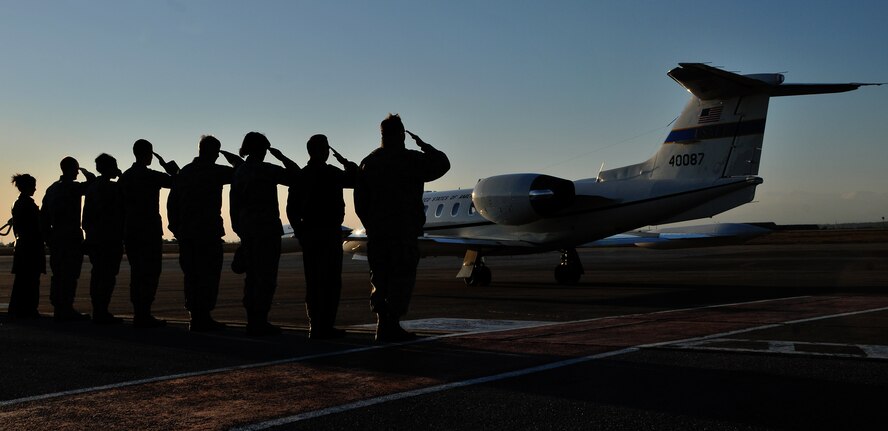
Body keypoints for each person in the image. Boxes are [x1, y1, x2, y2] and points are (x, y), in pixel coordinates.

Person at [354, 114, 450, 342]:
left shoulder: (369, 162)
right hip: (403, 231)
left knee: (380, 278)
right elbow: (443, 164)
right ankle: (392, 324)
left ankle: (382, 325)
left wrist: (371, 225)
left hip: (378, 232)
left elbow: (360, 202)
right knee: (401, 277)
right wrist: (423, 144)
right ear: (401, 135)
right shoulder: (411, 160)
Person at [167, 135, 242, 332]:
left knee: (192, 275)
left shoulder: (185, 172)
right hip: (207, 232)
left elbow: (171, 203)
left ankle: (196, 316)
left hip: (187, 234)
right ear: (213, 152)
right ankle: (203, 316)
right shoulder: (214, 171)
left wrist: (176, 228)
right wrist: (233, 158)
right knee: (208, 275)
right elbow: (240, 171)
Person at [288, 134, 358, 339]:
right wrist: (346, 162)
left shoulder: (301, 176)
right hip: (328, 234)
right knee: (331, 281)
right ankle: (325, 325)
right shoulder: (332, 173)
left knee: (314, 281)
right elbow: (354, 179)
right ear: (324, 151)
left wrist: (300, 232)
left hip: (310, 235)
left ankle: (316, 325)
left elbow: (291, 209)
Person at [230, 132, 299, 336]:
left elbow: (234, 203)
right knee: (266, 277)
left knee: (252, 277)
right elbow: (296, 176)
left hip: (248, 230)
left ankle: (253, 319)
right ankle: (259, 320)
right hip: (266, 230)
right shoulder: (266, 169)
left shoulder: (240, 171)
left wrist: (239, 229)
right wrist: (282, 157)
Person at [119, 139, 178, 328]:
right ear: (148, 154)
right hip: (148, 230)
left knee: (137, 272)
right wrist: (171, 169)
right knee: (150, 271)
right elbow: (176, 182)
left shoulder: (126, 177)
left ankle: (140, 313)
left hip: (131, 230)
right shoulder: (150, 175)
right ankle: (144, 313)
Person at [40, 156, 95, 322]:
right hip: (70, 237)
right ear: (72, 169)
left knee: (58, 274)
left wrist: (48, 238)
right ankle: (66, 308)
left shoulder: (51, 189)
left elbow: (44, 218)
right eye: (76, 169)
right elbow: (91, 185)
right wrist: (87, 173)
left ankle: (59, 307)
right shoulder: (72, 187)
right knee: (70, 274)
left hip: (56, 236)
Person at [82, 154, 125, 324]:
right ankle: (101, 312)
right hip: (107, 239)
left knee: (98, 274)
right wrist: (121, 178)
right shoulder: (109, 187)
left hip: (95, 238)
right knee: (106, 276)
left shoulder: (93, 187)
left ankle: (98, 310)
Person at [7, 174, 45, 319]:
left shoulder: (17, 203)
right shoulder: (28, 204)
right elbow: (37, 226)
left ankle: (18, 309)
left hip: (22, 246)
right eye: (33, 185)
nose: (35, 188)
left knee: (22, 280)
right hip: (30, 247)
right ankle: (29, 309)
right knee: (31, 280)